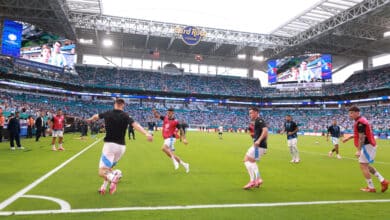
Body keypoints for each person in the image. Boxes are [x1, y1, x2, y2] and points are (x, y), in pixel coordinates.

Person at [87, 98, 153, 195]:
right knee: (108, 169)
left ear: (115, 104)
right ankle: (103, 187)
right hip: (121, 147)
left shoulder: (107, 113)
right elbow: (136, 125)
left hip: (110, 145)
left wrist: (90, 119)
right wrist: (146, 134)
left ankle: (114, 176)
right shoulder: (126, 116)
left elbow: (96, 116)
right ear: (123, 105)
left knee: (101, 171)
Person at [342, 106, 389, 193]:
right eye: (349, 113)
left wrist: (359, 150)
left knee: (363, 166)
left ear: (357, 112)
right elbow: (361, 134)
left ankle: (371, 187)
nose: (350, 115)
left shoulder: (360, 123)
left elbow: (362, 137)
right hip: (369, 145)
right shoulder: (361, 121)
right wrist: (349, 138)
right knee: (366, 165)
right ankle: (383, 181)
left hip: (367, 146)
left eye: (351, 113)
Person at [152, 108, 189, 173]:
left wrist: (184, 138)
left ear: (172, 113)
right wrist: (155, 112)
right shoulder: (165, 118)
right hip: (166, 138)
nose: (168, 114)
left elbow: (181, 130)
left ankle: (174, 161)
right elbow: (157, 116)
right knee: (170, 154)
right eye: (167, 112)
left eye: (169, 113)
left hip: (171, 138)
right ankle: (185, 164)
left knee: (163, 148)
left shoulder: (176, 121)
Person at [243, 107, 268, 190]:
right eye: (249, 113)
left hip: (259, 145)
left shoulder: (259, 120)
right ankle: (257, 180)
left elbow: (265, 131)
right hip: (260, 146)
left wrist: (259, 141)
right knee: (252, 161)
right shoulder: (255, 122)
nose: (250, 114)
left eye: (252, 112)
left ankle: (254, 180)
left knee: (247, 160)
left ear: (257, 112)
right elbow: (261, 134)